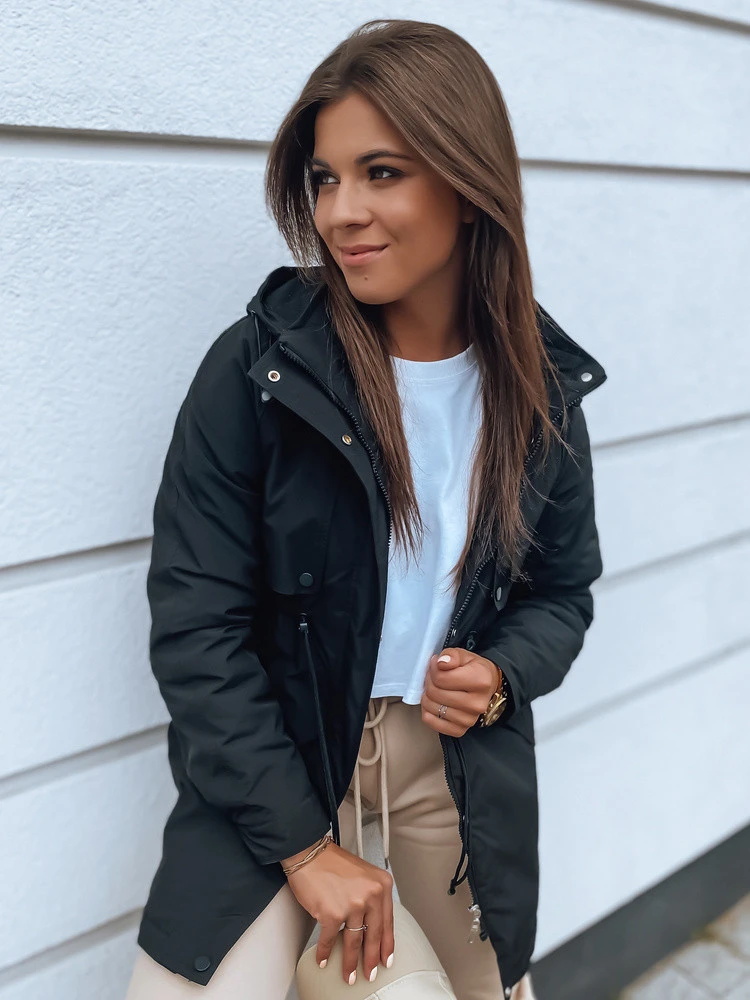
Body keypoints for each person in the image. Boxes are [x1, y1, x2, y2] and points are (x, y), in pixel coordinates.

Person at [124, 17, 607, 1000]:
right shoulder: (263, 369)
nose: (342, 212)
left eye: (382, 172)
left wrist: (502, 676)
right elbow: (196, 627)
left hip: (450, 770)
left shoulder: (538, 390)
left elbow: (563, 593)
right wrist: (307, 849)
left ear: (468, 184)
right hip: (285, 763)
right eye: (324, 179)